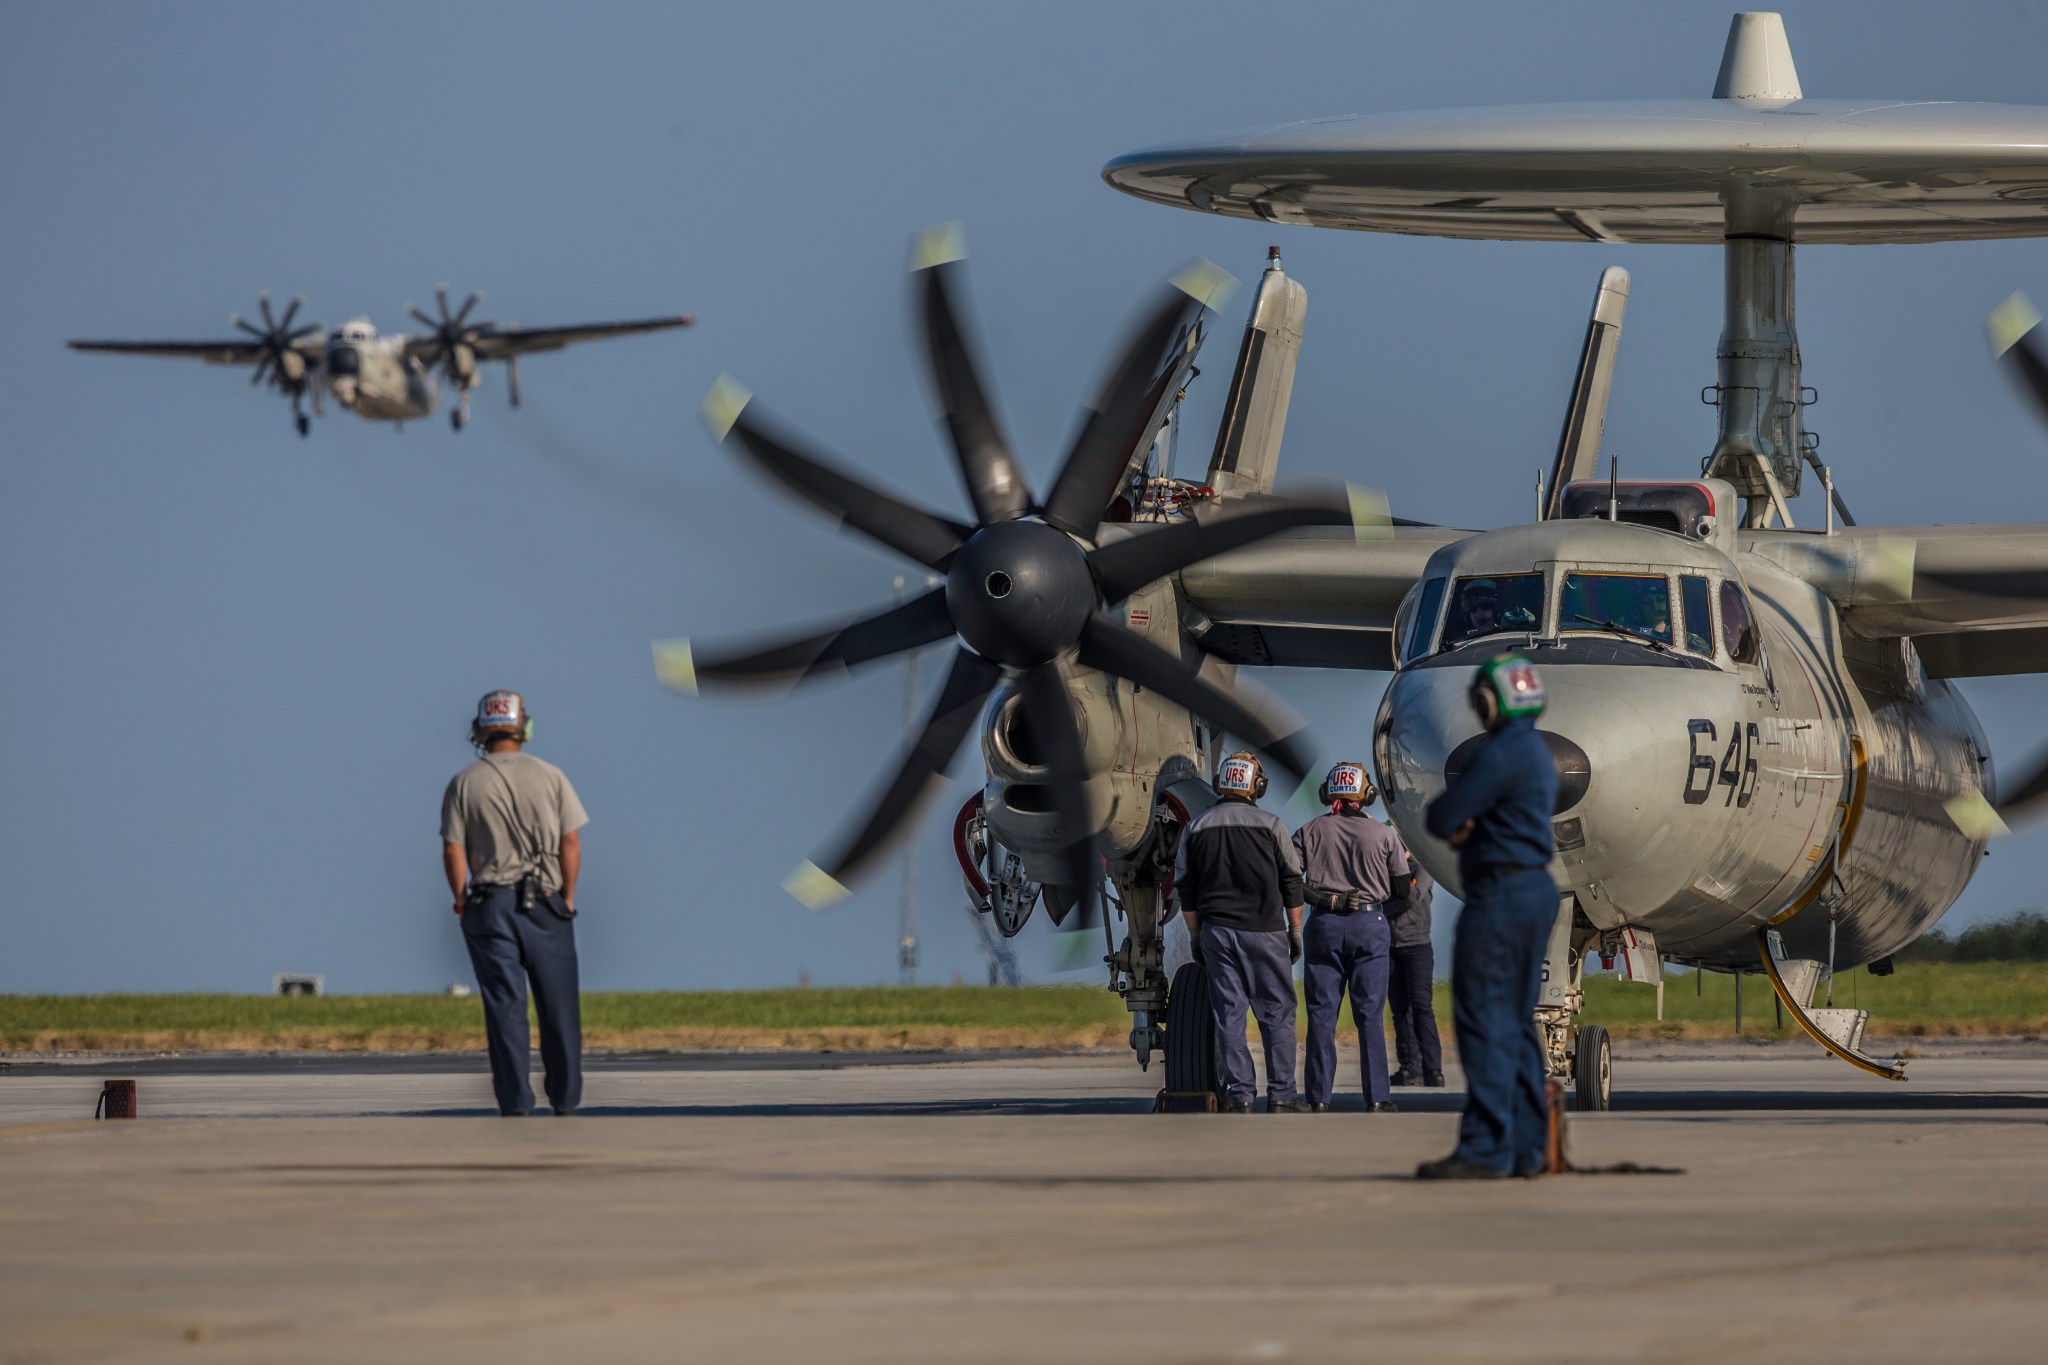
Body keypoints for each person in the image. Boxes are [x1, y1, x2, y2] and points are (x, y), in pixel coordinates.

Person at [1418, 654, 1560, 1180]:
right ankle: (1527, 1146)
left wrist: (1467, 825)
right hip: (1534, 890)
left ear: (1487, 701)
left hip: (1499, 894)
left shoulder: (1501, 753)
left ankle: (1485, 1146)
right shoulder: (1537, 753)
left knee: (1484, 1021)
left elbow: (1441, 815)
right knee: (1515, 1022)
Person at [441, 689, 590, 1117]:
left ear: (480, 729)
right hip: (544, 901)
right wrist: (568, 896)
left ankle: (515, 1102)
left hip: (489, 903)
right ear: (522, 725)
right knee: (558, 1005)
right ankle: (564, 1097)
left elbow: (453, 849)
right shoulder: (551, 776)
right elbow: (571, 841)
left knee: (505, 1007)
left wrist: (460, 899)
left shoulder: (465, 782)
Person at [1174, 751, 1307, 1114]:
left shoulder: (1195, 827)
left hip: (1217, 932)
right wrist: (1295, 931)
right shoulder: (1271, 825)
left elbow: (1185, 888)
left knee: (1229, 1015)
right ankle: (1281, 1096)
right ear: (1256, 786)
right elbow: (1293, 882)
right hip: (1265, 931)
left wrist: (1196, 934)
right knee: (1277, 1012)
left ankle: (1241, 1096)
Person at [1291, 762, 1414, 1113]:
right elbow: (1403, 888)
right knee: (1370, 1015)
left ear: (1329, 792)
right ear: (1367, 794)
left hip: (1324, 925)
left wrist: (1324, 898)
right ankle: (1377, 1097)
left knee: (1321, 1015)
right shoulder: (1384, 835)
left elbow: (1290, 880)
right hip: (1369, 923)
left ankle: (1317, 1099)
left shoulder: (1309, 830)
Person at [1386, 858, 1444, 1088]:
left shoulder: (1423, 865)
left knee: (1422, 1006)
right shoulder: (1385, 867)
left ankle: (1433, 1068)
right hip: (1390, 947)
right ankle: (1410, 1067)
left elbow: (1412, 897)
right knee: (1400, 1009)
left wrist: (1381, 906)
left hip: (1417, 946)